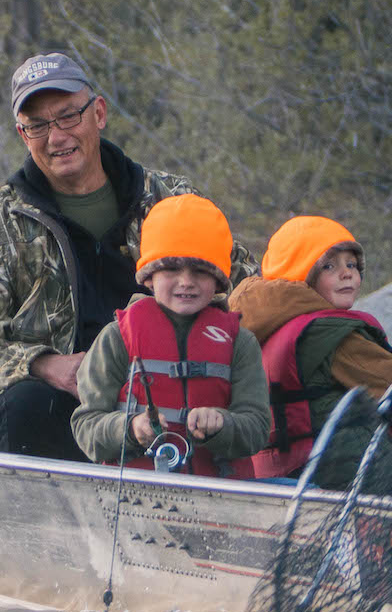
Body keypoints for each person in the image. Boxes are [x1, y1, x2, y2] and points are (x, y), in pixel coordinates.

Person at [0, 52, 257, 458]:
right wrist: (46, 366)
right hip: (56, 410)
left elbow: (248, 284)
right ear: (24, 135)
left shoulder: (170, 199)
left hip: (172, 400)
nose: (56, 137)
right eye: (37, 125)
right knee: (24, 406)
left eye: (68, 116)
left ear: (99, 113)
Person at [229, 216, 392, 502]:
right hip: (352, 478)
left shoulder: (263, 328)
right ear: (302, 275)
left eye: (351, 264)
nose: (347, 274)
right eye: (329, 266)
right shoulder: (333, 333)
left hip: (286, 476)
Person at [69, 195, 271, 473]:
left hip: (218, 500)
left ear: (219, 280)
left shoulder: (241, 342)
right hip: (133, 497)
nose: (186, 282)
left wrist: (222, 425)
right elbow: (86, 428)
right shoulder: (116, 337)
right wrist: (130, 428)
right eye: (172, 269)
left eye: (201, 271)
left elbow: (258, 429)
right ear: (149, 277)